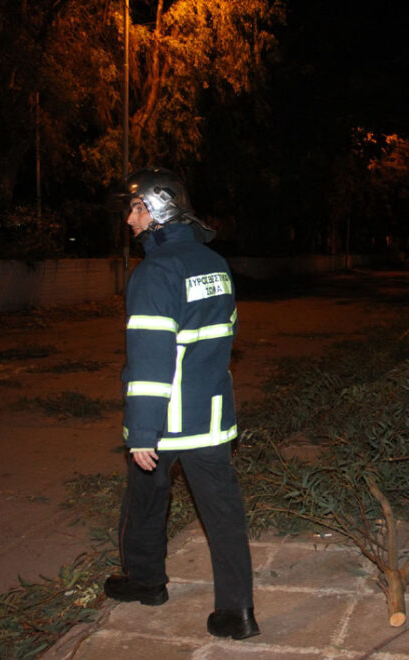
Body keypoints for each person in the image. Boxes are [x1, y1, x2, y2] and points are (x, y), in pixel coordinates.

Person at [104, 166, 259, 640]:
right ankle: (238, 614)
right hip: (210, 415)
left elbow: (150, 359)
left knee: (145, 499)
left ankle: (147, 582)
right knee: (224, 514)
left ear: (157, 210)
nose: (129, 221)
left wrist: (143, 431)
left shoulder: (154, 272)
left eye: (135, 209)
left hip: (166, 419)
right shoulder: (215, 264)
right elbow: (220, 339)